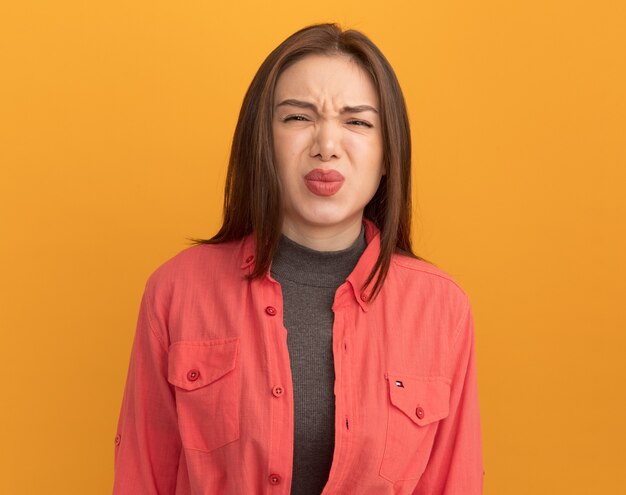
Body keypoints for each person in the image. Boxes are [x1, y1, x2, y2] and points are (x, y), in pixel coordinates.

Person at [112, 23, 484, 495]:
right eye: (297, 118)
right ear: (261, 141)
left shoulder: (442, 309)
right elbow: (142, 478)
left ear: (389, 154)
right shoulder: (175, 292)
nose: (326, 145)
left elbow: (455, 482)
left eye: (357, 122)